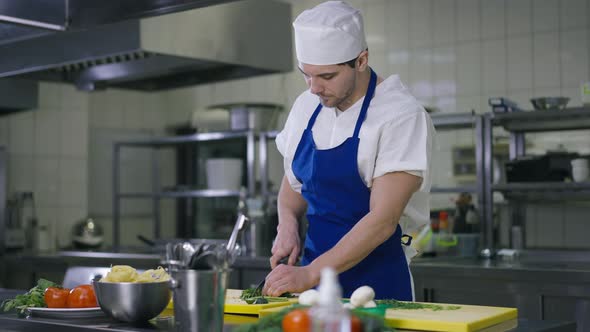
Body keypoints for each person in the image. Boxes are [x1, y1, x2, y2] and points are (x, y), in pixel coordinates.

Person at [262, 1, 435, 301]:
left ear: (361, 60)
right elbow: (294, 184)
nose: (314, 88)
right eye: (307, 74)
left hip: (377, 288)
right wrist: (287, 224)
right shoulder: (307, 106)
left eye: (327, 76)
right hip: (312, 290)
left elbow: (382, 221)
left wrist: (309, 273)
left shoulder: (400, 115)